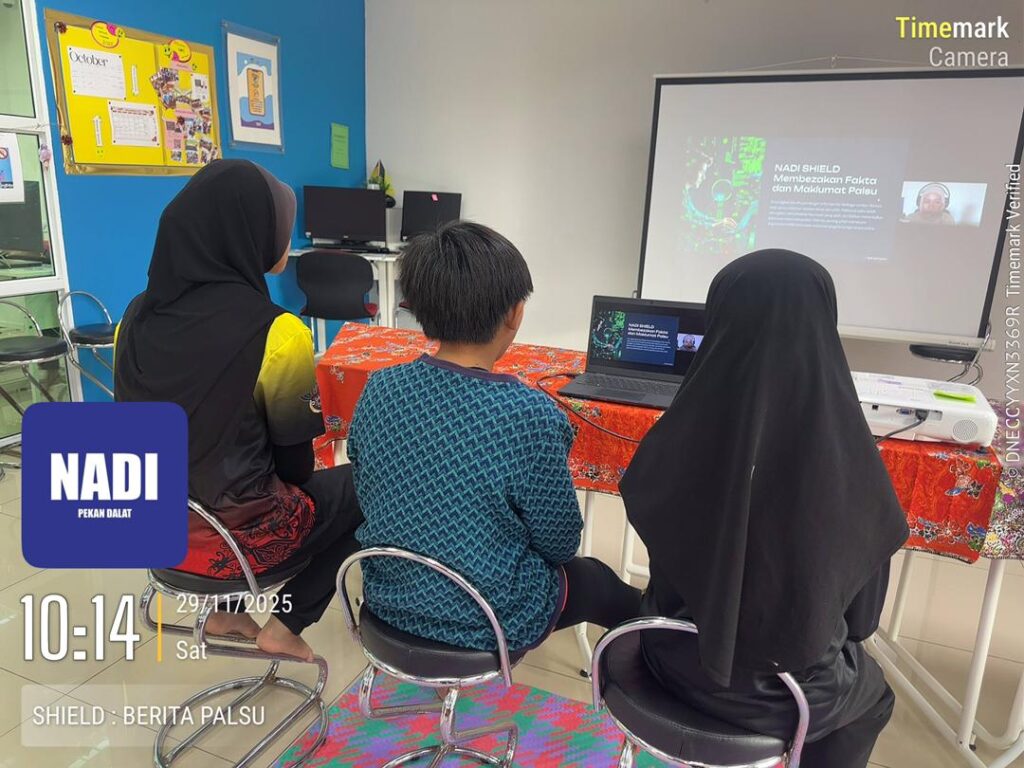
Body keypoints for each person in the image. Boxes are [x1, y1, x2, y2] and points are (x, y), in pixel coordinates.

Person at [620, 250, 909, 768]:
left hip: (670, 661)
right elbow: (861, 623)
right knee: (874, 698)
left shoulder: (673, 441)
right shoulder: (852, 463)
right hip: (789, 695)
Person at [347, 221, 641, 652]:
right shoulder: (531, 414)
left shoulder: (380, 387)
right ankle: (671, 652)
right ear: (515, 313)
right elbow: (559, 543)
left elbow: (368, 488)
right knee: (596, 581)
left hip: (388, 602)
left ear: (419, 308)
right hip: (489, 621)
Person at [114, 159, 363, 662]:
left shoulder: (133, 318)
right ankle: (288, 623)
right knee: (377, 484)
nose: (285, 241)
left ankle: (225, 611)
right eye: (279, 229)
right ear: (248, 235)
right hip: (241, 541)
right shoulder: (276, 332)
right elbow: (296, 469)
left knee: (215, 474)